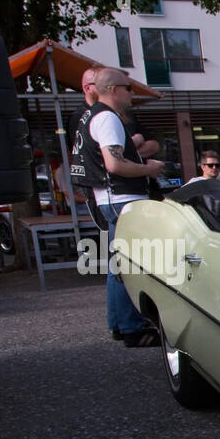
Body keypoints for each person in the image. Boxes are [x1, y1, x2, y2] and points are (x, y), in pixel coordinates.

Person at [71, 67, 166, 347]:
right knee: (129, 265)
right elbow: (114, 164)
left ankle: (120, 324)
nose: (132, 93)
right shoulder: (107, 118)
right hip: (122, 198)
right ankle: (132, 327)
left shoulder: (91, 116)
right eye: (128, 88)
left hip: (109, 198)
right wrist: (149, 170)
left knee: (118, 264)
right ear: (113, 90)